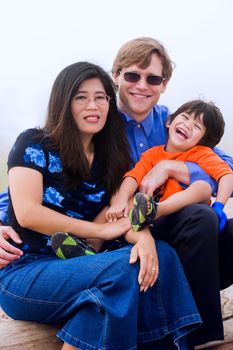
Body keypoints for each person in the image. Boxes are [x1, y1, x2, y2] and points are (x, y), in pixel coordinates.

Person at [0, 37, 233, 346]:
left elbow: (222, 165)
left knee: (157, 257)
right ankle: (184, 338)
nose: (93, 106)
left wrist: (172, 170)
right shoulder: (41, 141)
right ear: (117, 77)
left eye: (153, 78)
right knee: (130, 269)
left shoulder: (161, 127)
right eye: (81, 98)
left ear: (164, 83)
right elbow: (26, 208)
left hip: (105, 248)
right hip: (36, 264)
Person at [106, 99, 233, 235]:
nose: (188, 125)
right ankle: (90, 244)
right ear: (169, 122)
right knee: (113, 202)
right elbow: (133, 176)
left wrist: (219, 205)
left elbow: (226, 174)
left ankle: (156, 210)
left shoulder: (201, 153)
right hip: (151, 220)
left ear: (203, 142)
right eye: (185, 117)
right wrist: (121, 201)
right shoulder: (151, 154)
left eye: (197, 127)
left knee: (203, 186)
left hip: (179, 217)